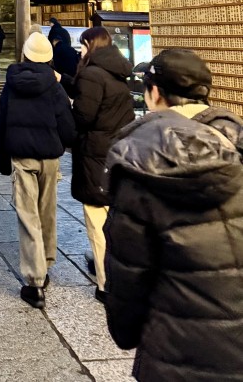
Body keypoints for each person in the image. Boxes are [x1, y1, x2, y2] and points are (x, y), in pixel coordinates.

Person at [104, 49, 243, 381]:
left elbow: (128, 271)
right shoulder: (237, 143)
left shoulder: (141, 161)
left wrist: (125, 331)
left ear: (154, 93)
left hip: (174, 346)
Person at [0, 31, 75, 309]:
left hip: (22, 158)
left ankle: (34, 281)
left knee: (28, 217)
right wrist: (63, 142)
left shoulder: (12, 83)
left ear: (25, 55)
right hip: (50, 158)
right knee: (47, 211)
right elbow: (67, 125)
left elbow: (1, 122)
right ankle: (46, 263)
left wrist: (2, 161)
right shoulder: (54, 86)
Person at [58, 27, 133, 302]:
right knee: (114, 219)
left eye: (83, 45)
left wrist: (64, 112)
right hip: (117, 152)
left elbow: (83, 116)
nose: (80, 50)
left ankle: (105, 284)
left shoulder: (92, 74)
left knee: (96, 220)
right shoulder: (116, 72)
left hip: (94, 156)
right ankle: (120, 276)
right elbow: (93, 94)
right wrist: (63, 79)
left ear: (92, 45)